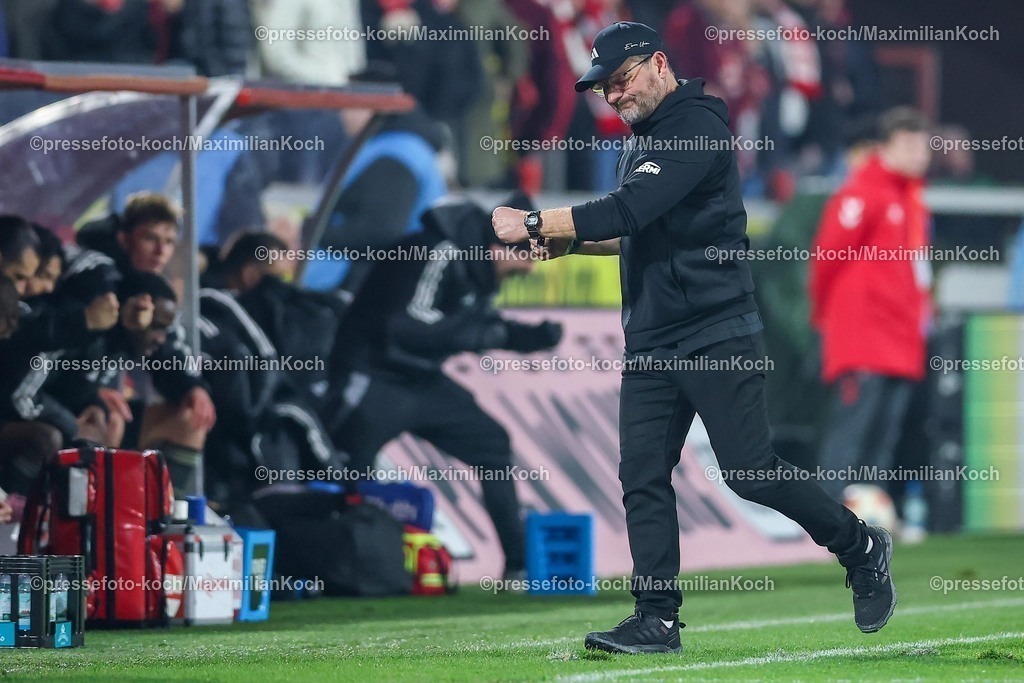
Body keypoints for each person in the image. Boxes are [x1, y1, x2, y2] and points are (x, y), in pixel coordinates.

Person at [491, 22, 895, 655]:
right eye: (604, 90)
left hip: (715, 332)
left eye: (620, 82)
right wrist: (566, 242)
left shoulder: (696, 127)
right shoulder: (651, 136)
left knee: (749, 471)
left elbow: (626, 212)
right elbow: (637, 233)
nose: (613, 98)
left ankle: (858, 544)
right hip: (654, 338)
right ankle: (657, 618)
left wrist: (535, 219)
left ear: (657, 64)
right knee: (642, 474)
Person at [328, 194, 562, 580]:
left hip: (419, 379)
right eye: (526, 257)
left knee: (491, 443)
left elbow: (478, 325)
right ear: (498, 247)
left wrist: (527, 337)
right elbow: (407, 325)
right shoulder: (438, 250)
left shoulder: (478, 270)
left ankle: (519, 567)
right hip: (373, 374)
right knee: (343, 468)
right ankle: (335, 567)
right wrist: (485, 333)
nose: (530, 268)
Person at [810, 107, 932, 502]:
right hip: (863, 335)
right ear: (885, 148)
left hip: (900, 335)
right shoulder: (861, 194)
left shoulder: (912, 201)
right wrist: (828, 318)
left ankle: (869, 527)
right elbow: (827, 258)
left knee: (885, 438)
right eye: (909, 144)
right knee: (852, 432)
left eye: (923, 145)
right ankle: (826, 522)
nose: (919, 154)